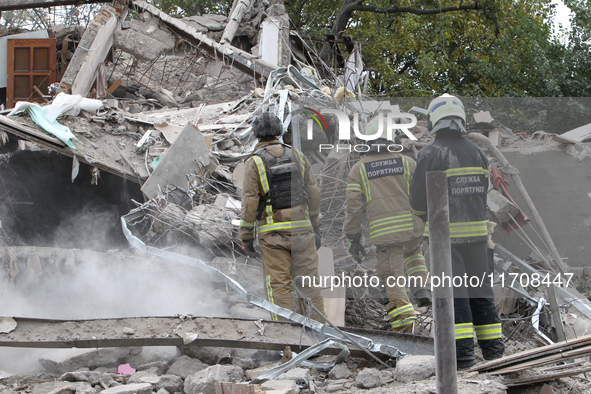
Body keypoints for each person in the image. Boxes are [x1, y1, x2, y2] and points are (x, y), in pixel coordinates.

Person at [409, 94, 504, 369]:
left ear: (434, 120)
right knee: (481, 295)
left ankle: (462, 357)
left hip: (444, 241)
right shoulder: (477, 152)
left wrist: (425, 217)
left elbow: (417, 201)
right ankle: (495, 355)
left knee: (454, 297)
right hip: (478, 240)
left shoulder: (429, 153)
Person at [345, 115, 430, 334]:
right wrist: (426, 226)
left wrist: (354, 237)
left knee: (392, 278)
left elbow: (353, 209)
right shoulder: (407, 163)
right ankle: (422, 289)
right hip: (413, 230)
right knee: (414, 255)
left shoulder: (359, 170)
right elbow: (424, 196)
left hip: (387, 237)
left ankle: (406, 329)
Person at [239, 112, 326, 322]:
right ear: (280, 131)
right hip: (303, 232)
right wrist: (314, 226)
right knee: (310, 285)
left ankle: (286, 342)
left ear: (256, 135)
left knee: (278, 286)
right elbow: (313, 194)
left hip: (273, 234)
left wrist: (246, 237)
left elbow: (250, 201)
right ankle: (321, 338)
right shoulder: (298, 156)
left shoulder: (255, 163)